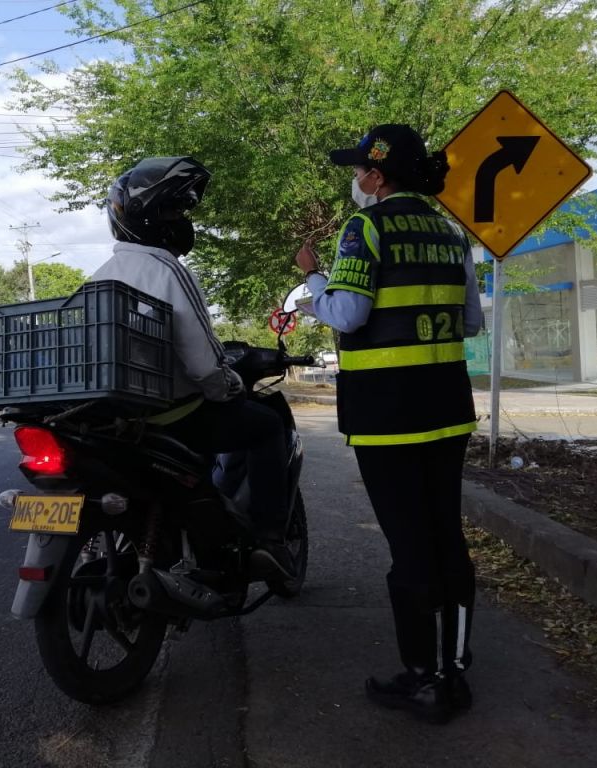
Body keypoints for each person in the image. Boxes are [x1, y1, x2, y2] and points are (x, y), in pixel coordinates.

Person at [294, 124, 482, 723]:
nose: (355, 180)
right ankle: (454, 670)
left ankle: (423, 680)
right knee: (446, 536)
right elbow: (471, 321)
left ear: (377, 176)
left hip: (387, 415)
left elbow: (348, 315)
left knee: (409, 547)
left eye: (359, 171)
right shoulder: (452, 234)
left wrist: (313, 281)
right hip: (446, 406)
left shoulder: (366, 228)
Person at [91, 156, 296, 580]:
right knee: (267, 425)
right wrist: (231, 385)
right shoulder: (167, 270)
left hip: (122, 418)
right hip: (172, 415)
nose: (183, 220)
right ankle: (270, 539)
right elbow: (204, 362)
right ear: (151, 219)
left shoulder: (99, 277)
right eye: (175, 211)